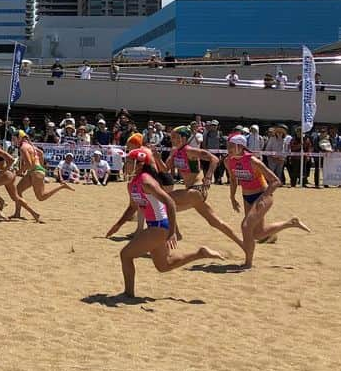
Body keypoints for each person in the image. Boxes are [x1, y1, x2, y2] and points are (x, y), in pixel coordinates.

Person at [109, 149, 224, 299]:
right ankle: (200, 253)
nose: (126, 164)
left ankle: (128, 294)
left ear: (139, 164)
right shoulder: (132, 183)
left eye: (130, 161)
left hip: (159, 226)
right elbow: (132, 207)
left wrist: (172, 231)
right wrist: (118, 225)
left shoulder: (146, 181)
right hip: (154, 226)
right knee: (164, 265)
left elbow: (169, 202)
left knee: (125, 255)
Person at [225, 135, 310, 267]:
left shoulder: (253, 161)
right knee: (258, 234)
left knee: (246, 226)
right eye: (228, 145)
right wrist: (232, 197)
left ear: (240, 146)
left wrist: (262, 198)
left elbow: (276, 181)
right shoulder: (228, 161)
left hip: (263, 195)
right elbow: (233, 180)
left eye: (231, 145)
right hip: (247, 197)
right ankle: (291, 223)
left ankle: (248, 263)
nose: (228, 148)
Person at [0, 130, 40, 221]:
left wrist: (2, 172)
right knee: (15, 197)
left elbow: (11, 159)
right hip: (8, 175)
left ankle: (2, 201)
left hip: (6, 175)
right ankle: (34, 214)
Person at [15, 132, 69, 202]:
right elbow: (41, 153)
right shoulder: (30, 145)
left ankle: (61, 186)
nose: (13, 141)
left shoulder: (23, 147)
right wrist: (41, 166)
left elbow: (29, 164)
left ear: (20, 138)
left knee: (41, 197)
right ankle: (17, 213)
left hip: (35, 171)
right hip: (35, 171)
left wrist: (18, 172)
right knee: (18, 190)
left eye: (14, 139)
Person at [166, 126, 217, 191]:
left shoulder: (190, 150)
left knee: (169, 198)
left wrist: (208, 177)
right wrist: (158, 158)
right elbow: (165, 169)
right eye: (171, 137)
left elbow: (214, 159)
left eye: (174, 137)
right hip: (189, 188)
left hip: (197, 188)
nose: (171, 140)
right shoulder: (176, 151)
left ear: (183, 138)